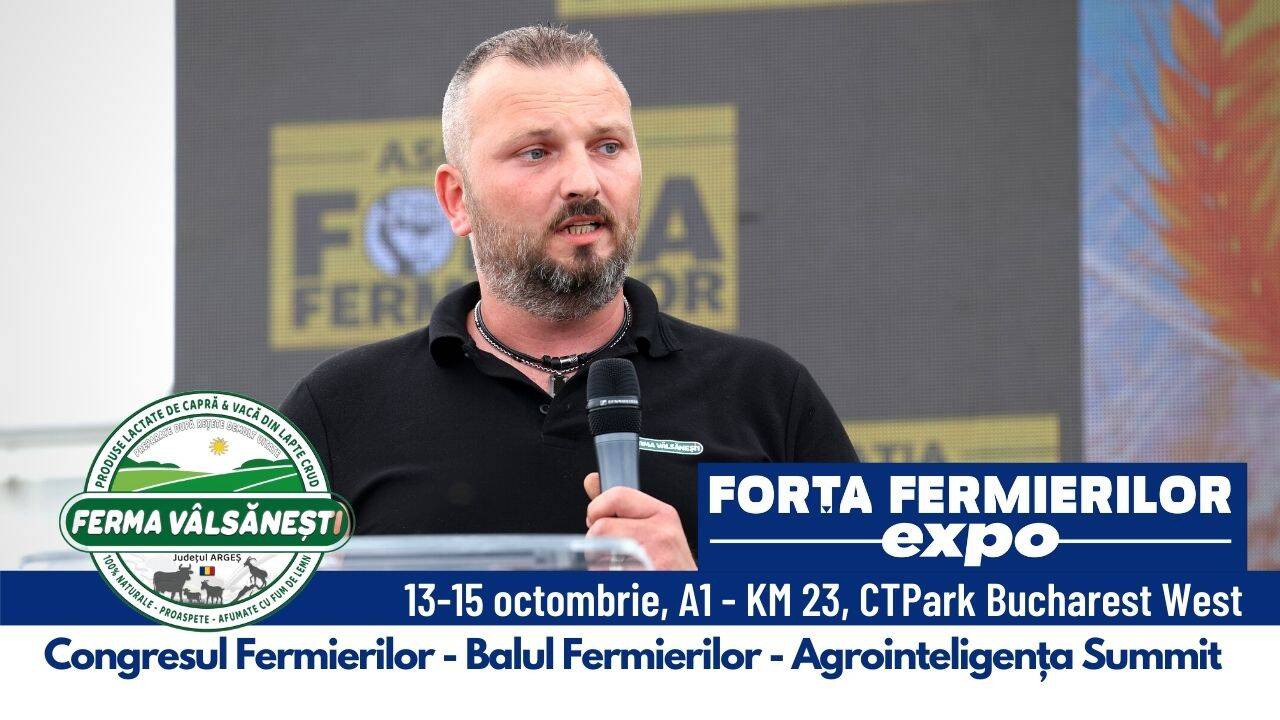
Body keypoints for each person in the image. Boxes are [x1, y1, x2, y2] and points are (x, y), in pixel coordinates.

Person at [280, 25, 857, 570]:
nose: (584, 181)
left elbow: (873, 630)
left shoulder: (766, 396)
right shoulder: (338, 411)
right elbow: (248, 627)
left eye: (608, 146)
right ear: (457, 199)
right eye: (537, 152)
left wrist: (697, 598)